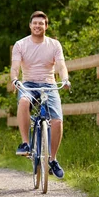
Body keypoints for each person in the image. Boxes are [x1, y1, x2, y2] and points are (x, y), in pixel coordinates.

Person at [10, 11, 70, 179]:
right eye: (35, 23)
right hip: (28, 83)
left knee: (57, 121)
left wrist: (65, 79)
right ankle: (26, 143)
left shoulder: (54, 45)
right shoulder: (20, 45)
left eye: (41, 23)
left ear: (46, 26)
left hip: (49, 84)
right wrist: (15, 79)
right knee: (23, 102)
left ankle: (53, 159)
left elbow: (61, 65)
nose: (37, 26)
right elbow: (15, 66)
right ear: (30, 25)